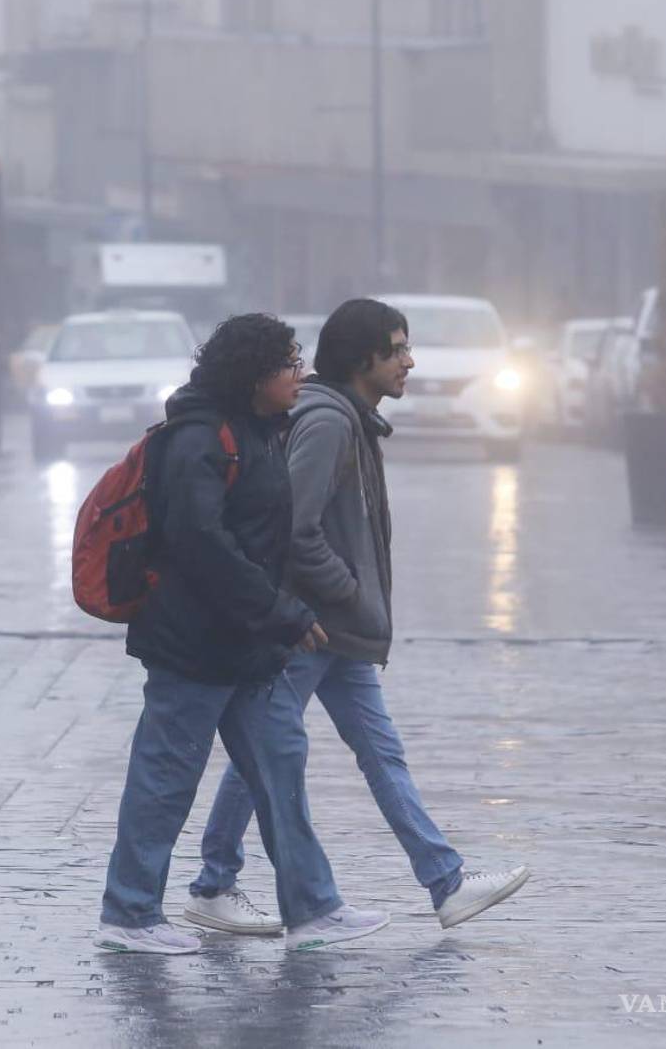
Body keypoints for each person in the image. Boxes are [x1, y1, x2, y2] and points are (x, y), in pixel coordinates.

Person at [184, 298, 530, 937]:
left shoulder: (352, 419)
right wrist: (348, 592)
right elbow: (296, 528)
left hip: (337, 630)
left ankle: (445, 883)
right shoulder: (330, 424)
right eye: (397, 349)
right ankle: (215, 884)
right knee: (265, 752)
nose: (409, 361)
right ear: (362, 359)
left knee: (376, 751)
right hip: (310, 627)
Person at [96, 313, 391, 955]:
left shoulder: (263, 430)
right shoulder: (198, 440)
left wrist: (277, 619)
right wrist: (283, 612)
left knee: (280, 766)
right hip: (193, 646)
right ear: (254, 375)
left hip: (249, 647)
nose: (302, 374)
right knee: (165, 776)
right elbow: (204, 546)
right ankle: (130, 912)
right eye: (289, 364)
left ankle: (312, 907)